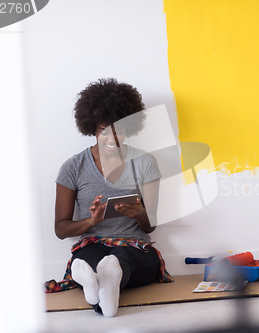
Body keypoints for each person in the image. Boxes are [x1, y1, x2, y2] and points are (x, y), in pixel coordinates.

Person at [47, 78, 172, 317]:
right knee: (92, 258)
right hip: (93, 245)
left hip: (135, 247)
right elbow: (61, 229)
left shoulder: (145, 163)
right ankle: (103, 282)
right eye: (104, 130)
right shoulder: (73, 167)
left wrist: (140, 213)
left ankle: (96, 282)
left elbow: (151, 225)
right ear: (92, 128)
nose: (112, 138)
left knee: (120, 259)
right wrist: (91, 222)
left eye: (120, 130)